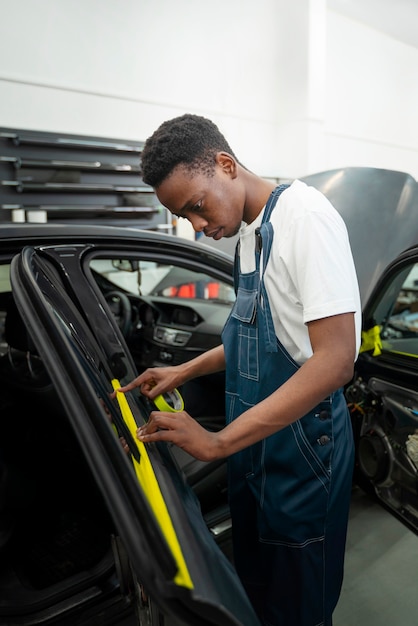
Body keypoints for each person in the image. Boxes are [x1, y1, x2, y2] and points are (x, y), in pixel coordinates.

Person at [115, 114, 361, 626]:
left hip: (304, 453)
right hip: (259, 450)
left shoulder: (305, 220)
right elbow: (253, 336)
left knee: (300, 604)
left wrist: (218, 442)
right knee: (260, 590)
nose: (199, 229)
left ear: (225, 165)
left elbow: (335, 361)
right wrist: (184, 371)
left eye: (196, 208)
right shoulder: (249, 233)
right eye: (185, 218)